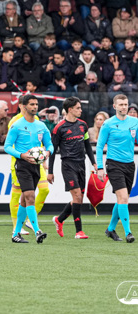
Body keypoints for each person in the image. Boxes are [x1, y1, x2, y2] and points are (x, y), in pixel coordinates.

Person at [4, 94, 53, 243]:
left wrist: (47, 153)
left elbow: (50, 144)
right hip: (22, 165)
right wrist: (21, 155)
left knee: (25, 201)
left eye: (36, 104)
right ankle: (37, 230)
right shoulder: (17, 125)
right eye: (32, 104)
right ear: (24, 106)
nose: (35, 107)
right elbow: (7, 146)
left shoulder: (41, 126)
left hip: (36, 166)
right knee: (30, 196)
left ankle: (16, 234)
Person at [48, 97, 96, 240]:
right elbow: (52, 151)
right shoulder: (59, 128)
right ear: (70, 109)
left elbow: (87, 145)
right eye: (78, 108)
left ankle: (59, 220)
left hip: (81, 164)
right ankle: (79, 231)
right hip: (68, 165)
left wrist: (94, 163)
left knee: (78, 198)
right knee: (77, 196)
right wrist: (50, 172)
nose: (81, 110)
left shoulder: (83, 125)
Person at [96, 94, 138, 243]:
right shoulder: (108, 124)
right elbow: (99, 146)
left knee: (122, 199)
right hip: (114, 164)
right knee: (124, 198)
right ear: (114, 106)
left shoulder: (135, 122)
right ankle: (128, 233)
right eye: (121, 104)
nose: (124, 107)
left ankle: (110, 229)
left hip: (130, 165)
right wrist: (100, 167)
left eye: (125, 104)